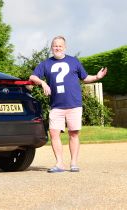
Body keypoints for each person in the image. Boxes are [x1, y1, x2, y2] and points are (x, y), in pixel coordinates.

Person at [29, 36, 107, 173]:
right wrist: (42, 82)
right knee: (53, 133)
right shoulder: (45, 64)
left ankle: (74, 163)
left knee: (74, 134)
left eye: (60, 46)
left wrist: (97, 77)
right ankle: (59, 164)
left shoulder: (74, 61)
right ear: (51, 48)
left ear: (65, 47)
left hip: (74, 104)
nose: (57, 48)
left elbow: (85, 78)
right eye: (55, 46)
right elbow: (32, 77)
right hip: (56, 106)